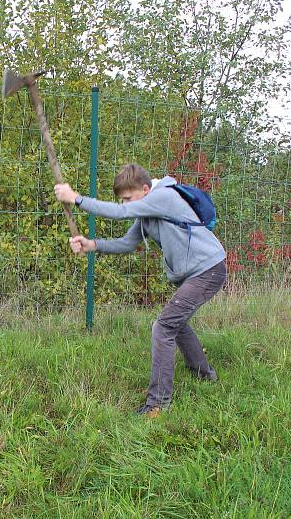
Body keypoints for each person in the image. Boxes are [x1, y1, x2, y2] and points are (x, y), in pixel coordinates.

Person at [54, 163, 227, 418]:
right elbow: (127, 243)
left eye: (128, 198)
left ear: (145, 189)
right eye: (123, 200)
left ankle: (157, 405)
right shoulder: (147, 211)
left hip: (208, 269)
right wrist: (92, 244)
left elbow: (118, 213)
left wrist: (76, 199)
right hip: (198, 272)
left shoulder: (163, 196)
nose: (125, 204)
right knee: (175, 324)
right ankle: (204, 375)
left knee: (164, 326)